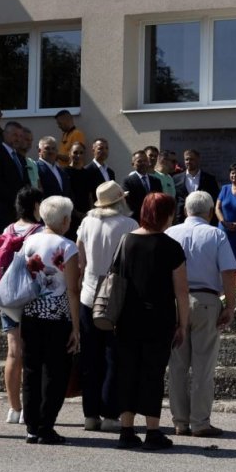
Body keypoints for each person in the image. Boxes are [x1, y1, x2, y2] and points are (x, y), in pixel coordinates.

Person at [114, 193, 190, 450]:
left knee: (127, 371)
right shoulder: (171, 246)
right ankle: (153, 430)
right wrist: (183, 324)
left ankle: (126, 429)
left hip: (126, 317)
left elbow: (115, 278)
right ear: (165, 215)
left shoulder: (126, 241)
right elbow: (181, 291)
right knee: (152, 374)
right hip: (159, 318)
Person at [165, 191, 236, 437]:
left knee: (177, 365)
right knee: (203, 365)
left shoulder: (170, 233)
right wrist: (231, 305)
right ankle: (200, 422)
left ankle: (180, 421)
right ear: (209, 212)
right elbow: (228, 272)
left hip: (174, 301)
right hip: (206, 299)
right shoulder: (216, 234)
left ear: (186, 210)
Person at [76, 181, 138, 433]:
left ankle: (90, 414)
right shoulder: (128, 225)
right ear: (120, 201)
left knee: (90, 357)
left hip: (88, 293)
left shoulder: (86, 223)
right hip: (117, 294)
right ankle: (110, 413)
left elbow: (80, 259)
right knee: (114, 357)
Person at [20, 195, 80, 445]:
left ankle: (32, 426)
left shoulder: (29, 241)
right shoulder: (67, 247)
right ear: (65, 220)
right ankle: (46, 425)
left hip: (31, 312)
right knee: (55, 371)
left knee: (32, 369)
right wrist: (77, 327)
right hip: (58, 316)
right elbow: (72, 289)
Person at [0, 186, 45, 427]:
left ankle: (14, 408)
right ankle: (30, 406)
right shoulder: (41, 232)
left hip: (8, 298)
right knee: (31, 355)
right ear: (36, 206)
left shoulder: (8, 229)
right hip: (32, 298)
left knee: (13, 353)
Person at [0, 121, 31, 237]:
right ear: (5, 134)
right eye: (15, 135)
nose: (18, 139)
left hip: (21, 212)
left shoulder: (20, 158)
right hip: (4, 212)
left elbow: (25, 183)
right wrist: (16, 201)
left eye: (20, 136)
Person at [215, 163, 236, 268]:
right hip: (224, 230)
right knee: (223, 260)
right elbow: (217, 208)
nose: (234, 176)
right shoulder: (225, 189)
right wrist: (223, 222)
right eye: (232, 173)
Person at [174, 149, 219, 222]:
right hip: (181, 219)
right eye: (186, 159)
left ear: (198, 160)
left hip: (203, 218)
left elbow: (214, 198)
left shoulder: (209, 179)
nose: (188, 162)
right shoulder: (176, 179)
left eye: (191, 159)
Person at [124, 150, 163, 221]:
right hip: (136, 220)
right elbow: (129, 203)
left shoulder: (156, 181)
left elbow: (159, 200)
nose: (143, 163)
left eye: (145, 161)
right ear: (133, 164)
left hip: (154, 220)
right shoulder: (128, 181)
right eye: (139, 161)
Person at [66, 141, 92, 236]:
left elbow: (89, 195)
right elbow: (66, 195)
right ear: (69, 153)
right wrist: (77, 213)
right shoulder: (64, 173)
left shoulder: (87, 173)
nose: (78, 155)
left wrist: (90, 212)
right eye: (75, 152)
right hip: (70, 216)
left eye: (81, 153)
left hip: (86, 216)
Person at [85, 138, 116, 207]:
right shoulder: (87, 170)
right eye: (100, 148)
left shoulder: (110, 172)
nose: (104, 151)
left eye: (106, 148)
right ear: (93, 150)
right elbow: (87, 194)